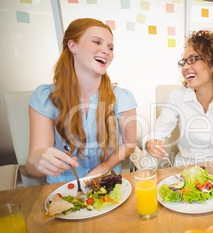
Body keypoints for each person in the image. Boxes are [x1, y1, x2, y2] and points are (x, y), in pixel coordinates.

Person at [27, 18, 137, 183]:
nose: (106, 50)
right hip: (65, 188)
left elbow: (129, 144)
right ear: (73, 46)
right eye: (96, 42)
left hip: (107, 183)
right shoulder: (45, 97)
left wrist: (101, 169)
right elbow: (33, 165)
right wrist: (37, 161)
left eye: (110, 47)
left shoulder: (122, 97)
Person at [143, 30, 213, 167]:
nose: (185, 68)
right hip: (186, 170)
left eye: (192, 60)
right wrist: (151, 143)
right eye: (184, 62)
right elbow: (157, 133)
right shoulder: (176, 97)